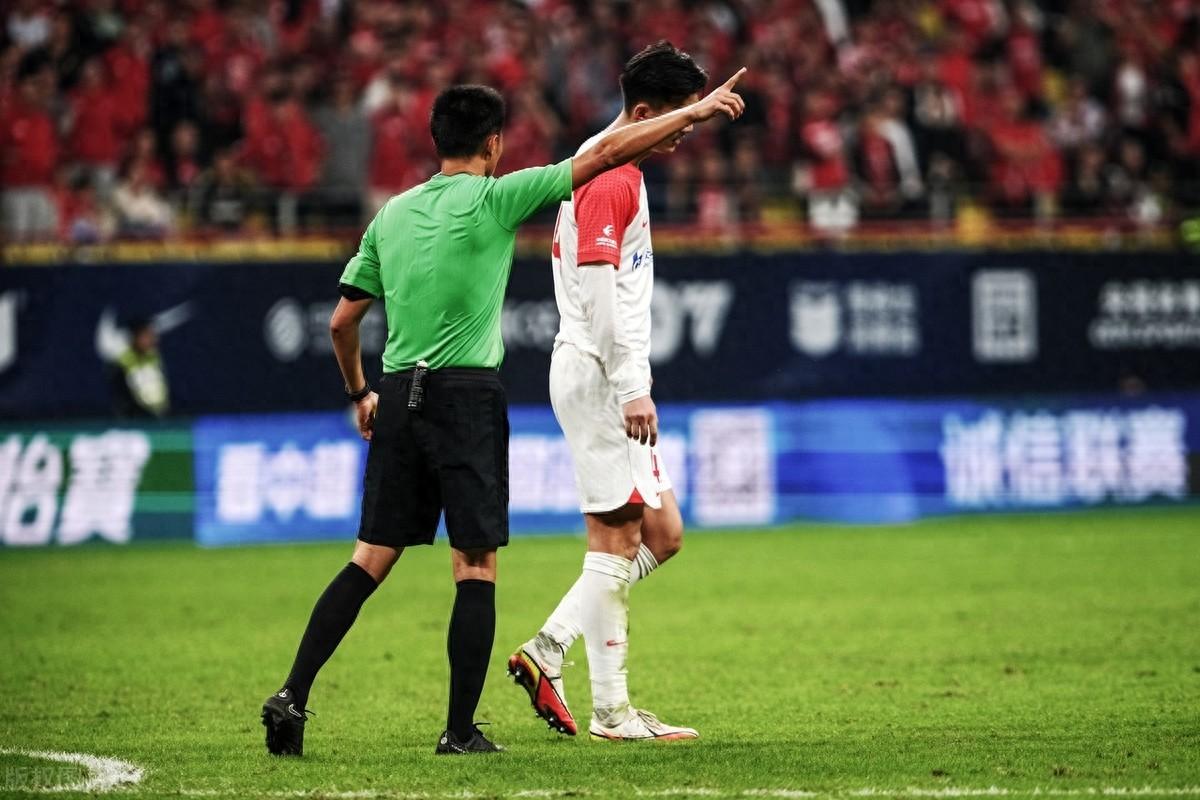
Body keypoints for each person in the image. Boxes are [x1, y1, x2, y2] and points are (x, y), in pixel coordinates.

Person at [260, 72, 747, 757]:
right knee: (475, 565)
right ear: (492, 144)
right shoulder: (497, 199)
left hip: (397, 394)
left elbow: (342, 322)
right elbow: (606, 154)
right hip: (465, 398)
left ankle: (292, 694)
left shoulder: (391, 215)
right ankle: (460, 731)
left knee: (369, 559)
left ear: (437, 141)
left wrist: (360, 394)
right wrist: (694, 113)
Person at [506, 41, 714, 743]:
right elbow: (598, 294)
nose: (683, 134)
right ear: (645, 112)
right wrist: (631, 387)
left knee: (662, 533)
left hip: (604, 372)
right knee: (618, 537)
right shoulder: (611, 176)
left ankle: (552, 649)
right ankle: (610, 710)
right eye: (679, 119)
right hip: (599, 374)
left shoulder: (614, 162)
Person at [108, 318, 169, 418]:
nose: (152, 339)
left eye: (152, 335)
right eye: (146, 336)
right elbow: (121, 400)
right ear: (134, 337)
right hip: (135, 421)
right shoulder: (122, 362)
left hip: (159, 419)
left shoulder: (154, 357)